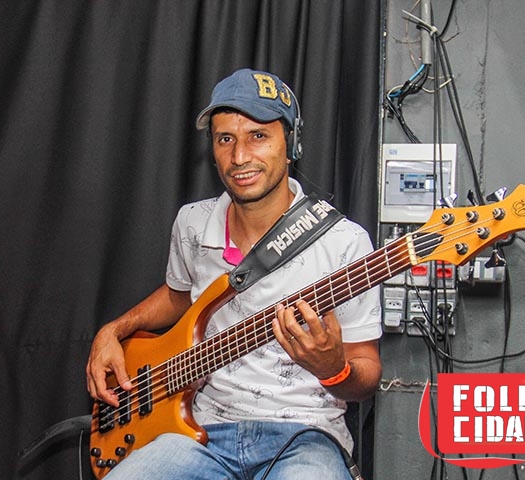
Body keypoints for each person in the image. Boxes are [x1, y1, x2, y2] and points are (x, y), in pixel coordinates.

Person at [86, 68, 383, 479]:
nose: (239, 157)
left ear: (291, 143)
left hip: (304, 435)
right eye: (225, 139)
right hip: (200, 430)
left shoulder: (344, 242)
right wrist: (114, 330)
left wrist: (334, 369)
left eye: (258, 136)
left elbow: (367, 373)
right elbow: (179, 296)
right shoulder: (193, 223)